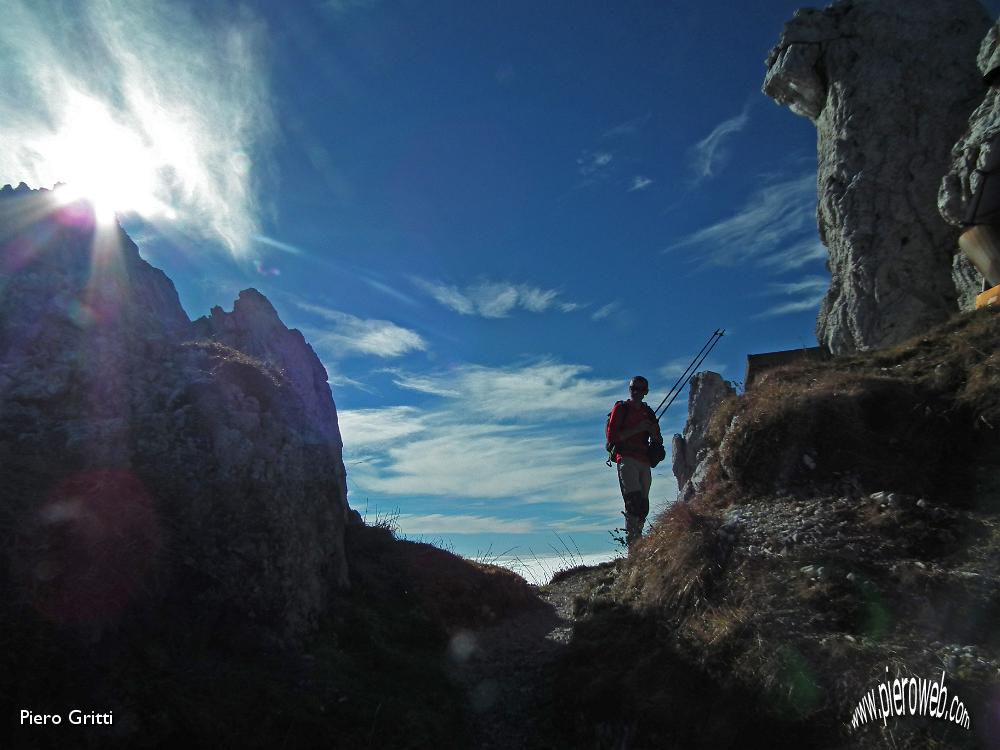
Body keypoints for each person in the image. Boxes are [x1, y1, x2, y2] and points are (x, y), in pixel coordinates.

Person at [606, 375, 663, 549]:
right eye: (633, 388)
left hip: (644, 460)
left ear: (646, 392)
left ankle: (637, 540)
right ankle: (633, 545)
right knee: (633, 501)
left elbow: (658, 440)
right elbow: (612, 437)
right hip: (626, 458)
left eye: (640, 389)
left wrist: (652, 432)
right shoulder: (621, 408)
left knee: (643, 504)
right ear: (630, 390)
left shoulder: (649, 413)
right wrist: (640, 428)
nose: (636, 392)